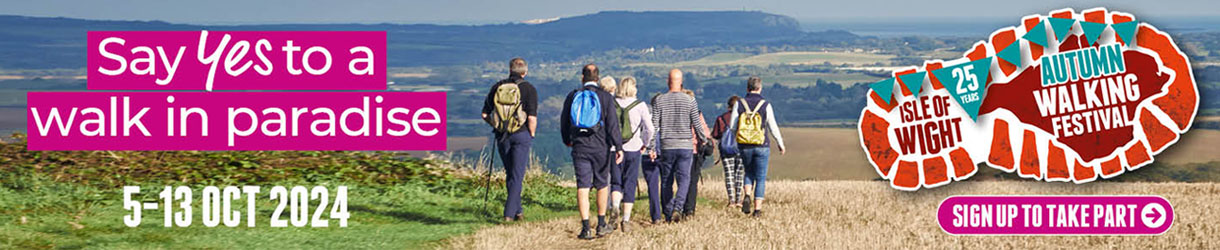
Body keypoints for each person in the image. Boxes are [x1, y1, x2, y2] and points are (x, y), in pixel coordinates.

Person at [561, 63, 624, 239]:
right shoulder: (605, 97)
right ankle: (601, 223)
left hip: (580, 147)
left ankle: (586, 227)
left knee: (583, 186)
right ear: (598, 78)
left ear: (582, 78)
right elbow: (612, 126)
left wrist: (567, 140)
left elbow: (564, 122)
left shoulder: (573, 96)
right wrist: (618, 146)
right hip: (601, 147)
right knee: (602, 185)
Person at [647, 69, 709, 223]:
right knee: (685, 179)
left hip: (667, 144)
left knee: (667, 180)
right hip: (685, 145)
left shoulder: (659, 100)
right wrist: (703, 139)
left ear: (668, 82)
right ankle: (678, 207)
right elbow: (697, 123)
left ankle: (668, 213)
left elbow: (654, 126)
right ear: (681, 82)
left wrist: (652, 147)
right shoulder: (690, 100)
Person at [481, 57, 538, 222]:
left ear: (509, 70)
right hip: (521, 135)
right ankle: (508, 215)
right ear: (525, 72)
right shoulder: (529, 89)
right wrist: (531, 134)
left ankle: (518, 211)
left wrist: (496, 125)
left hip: (502, 136)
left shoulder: (498, 87)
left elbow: (485, 114)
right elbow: (532, 117)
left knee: (511, 173)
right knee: (517, 175)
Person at [729, 76, 786, 218]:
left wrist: (737, 138)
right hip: (762, 144)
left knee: (748, 172)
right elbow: (772, 126)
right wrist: (780, 143)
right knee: (760, 177)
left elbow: (732, 126)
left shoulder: (739, 104)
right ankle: (757, 210)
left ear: (747, 88)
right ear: (760, 88)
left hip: (744, 144)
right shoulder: (765, 105)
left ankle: (747, 194)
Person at [610, 76, 653, 232]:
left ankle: (614, 207)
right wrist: (645, 144)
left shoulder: (612, 103)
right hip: (634, 148)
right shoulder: (640, 105)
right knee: (630, 182)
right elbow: (650, 129)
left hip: (614, 149)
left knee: (616, 182)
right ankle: (626, 220)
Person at [681, 90, 713, 217]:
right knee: (692, 182)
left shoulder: (676, 114)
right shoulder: (698, 114)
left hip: (680, 149)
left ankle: (680, 206)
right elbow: (705, 132)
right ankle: (690, 209)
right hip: (694, 150)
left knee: (682, 180)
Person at [711, 96, 745, 209]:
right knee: (739, 174)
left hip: (726, 149)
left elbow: (715, 134)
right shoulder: (743, 118)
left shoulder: (721, 118)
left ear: (728, 106)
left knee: (729, 175)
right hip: (741, 148)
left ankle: (731, 200)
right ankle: (739, 199)